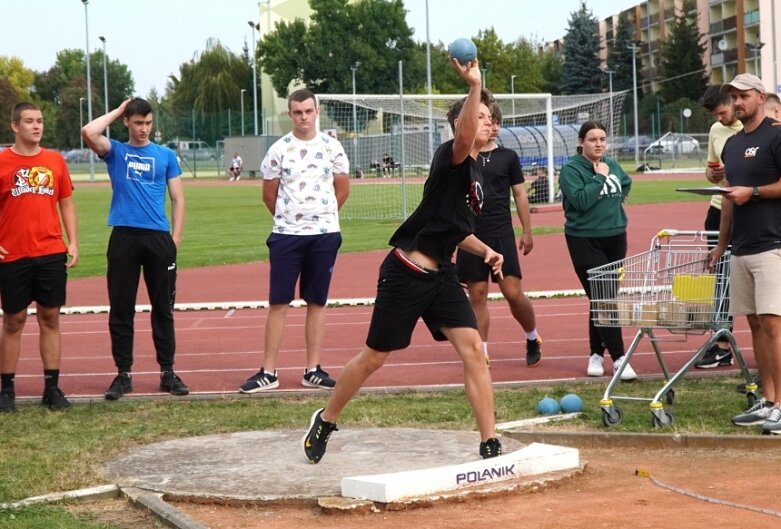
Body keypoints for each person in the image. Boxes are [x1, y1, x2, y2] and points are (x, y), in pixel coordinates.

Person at [302, 58, 504, 464]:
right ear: (461, 123)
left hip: (442, 276)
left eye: (490, 116)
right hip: (407, 273)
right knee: (374, 357)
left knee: (474, 351)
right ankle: (325, 419)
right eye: (478, 115)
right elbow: (465, 136)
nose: (486, 121)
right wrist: (474, 85)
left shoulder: (479, 176)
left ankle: (489, 442)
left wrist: (484, 250)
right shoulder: (453, 156)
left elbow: (453, 228)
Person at [238, 89, 350, 393]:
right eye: (297, 112)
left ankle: (312, 369)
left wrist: (322, 217)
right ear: (290, 114)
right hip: (287, 236)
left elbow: (342, 189)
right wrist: (291, 220)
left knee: (317, 302)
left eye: (308, 111)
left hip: (325, 236)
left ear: (317, 112)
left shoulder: (333, 148)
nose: (303, 117)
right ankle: (268, 372)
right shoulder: (278, 150)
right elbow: (268, 194)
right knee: (278, 302)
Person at [81, 97, 189, 400]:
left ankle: (167, 372)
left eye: (148, 123)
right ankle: (123, 374)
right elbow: (89, 132)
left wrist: (175, 239)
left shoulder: (165, 155)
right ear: (128, 122)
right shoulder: (116, 151)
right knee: (121, 308)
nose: (144, 129)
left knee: (163, 309)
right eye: (138, 122)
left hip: (158, 239)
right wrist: (118, 110)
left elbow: (178, 199)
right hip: (124, 237)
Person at [710, 74, 781, 434]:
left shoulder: (777, 134)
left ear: (760, 97)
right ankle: (768, 400)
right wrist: (722, 246)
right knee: (754, 323)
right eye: (733, 97)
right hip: (742, 247)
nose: (737, 102)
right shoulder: (732, 145)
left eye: (743, 96)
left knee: (773, 324)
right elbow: (727, 200)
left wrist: (751, 193)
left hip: (774, 245)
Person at [0, 102, 79, 412]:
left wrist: (73, 242)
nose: (36, 126)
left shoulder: (55, 161)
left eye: (40, 121)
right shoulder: (3, 162)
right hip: (14, 254)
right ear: (15, 126)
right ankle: (7, 391)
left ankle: (52, 388)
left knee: (50, 318)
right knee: (14, 320)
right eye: (29, 121)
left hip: (50, 252)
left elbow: (67, 203)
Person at [455, 104, 541, 367]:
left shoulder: (508, 156)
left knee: (512, 291)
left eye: (495, 122)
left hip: (501, 232)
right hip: (471, 233)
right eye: (486, 121)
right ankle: (482, 352)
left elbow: (520, 194)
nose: (491, 127)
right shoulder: (462, 156)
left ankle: (532, 336)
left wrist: (527, 231)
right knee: (477, 294)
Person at [558, 120, 637, 381]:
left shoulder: (611, 163)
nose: (599, 144)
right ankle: (619, 357)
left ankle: (595, 354)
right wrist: (600, 176)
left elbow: (624, 183)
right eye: (593, 139)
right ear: (581, 142)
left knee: (602, 298)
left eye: (602, 139)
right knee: (604, 298)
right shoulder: (571, 169)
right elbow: (580, 201)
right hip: (584, 239)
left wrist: (614, 201)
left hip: (615, 237)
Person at [694, 85, 743, 369]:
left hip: (748, 211)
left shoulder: (752, 129)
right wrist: (712, 173)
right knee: (721, 277)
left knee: (750, 277)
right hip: (718, 209)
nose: (721, 119)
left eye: (723, 113)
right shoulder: (716, 130)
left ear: (733, 103)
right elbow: (711, 171)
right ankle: (722, 342)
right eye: (716, 115)